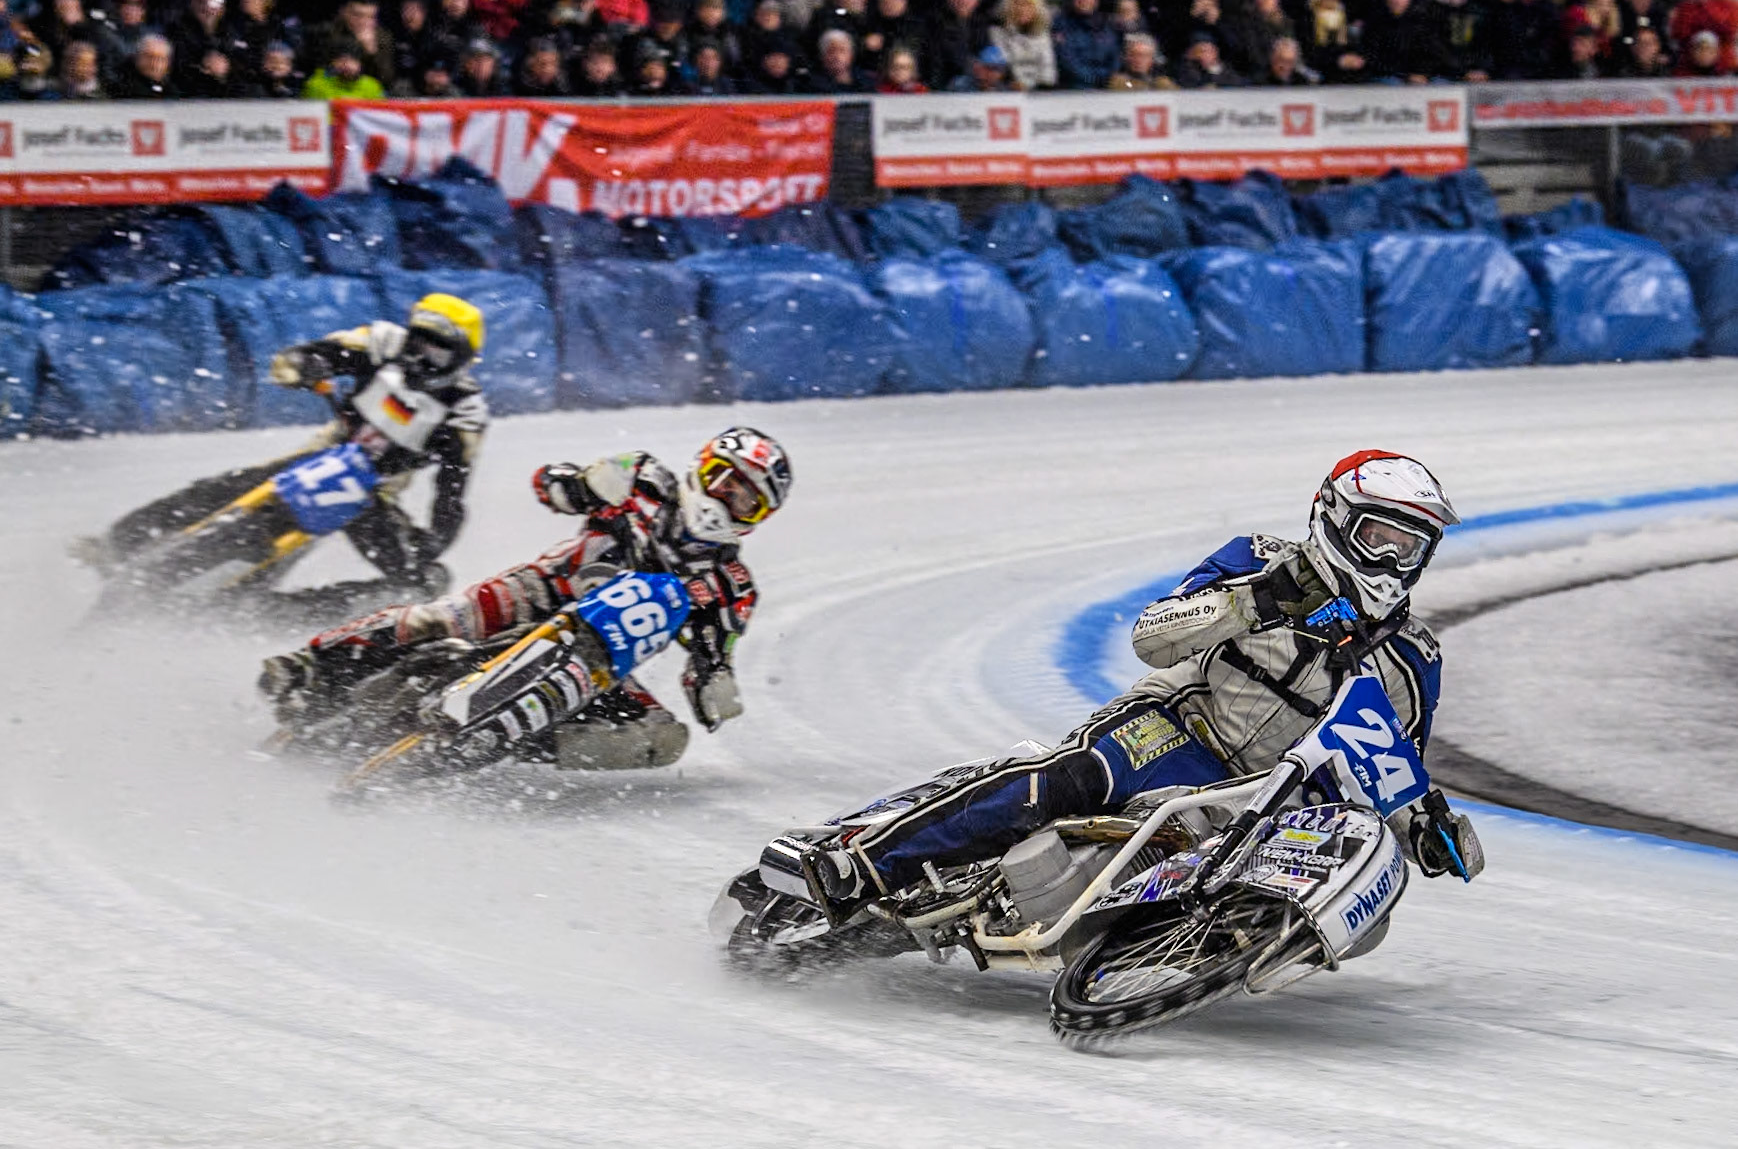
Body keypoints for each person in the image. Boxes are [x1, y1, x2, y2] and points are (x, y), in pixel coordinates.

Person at [768, 451, 1480, 920]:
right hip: (1180, 729)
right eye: (1377, 537)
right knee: (1063, 778)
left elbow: (1391, 763)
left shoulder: (1415, 659)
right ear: (1332, 519)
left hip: (1267, 802)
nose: (1390, 558)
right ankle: (857, 864)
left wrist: (1428, 827)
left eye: (1408, 545)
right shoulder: (1262, 559)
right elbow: (1153, 634)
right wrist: (1255, 603)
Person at [259, 427, 793, 774]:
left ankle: (514, 738)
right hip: (545, 589)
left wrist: (714, 684)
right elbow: (550, 486)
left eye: (746, 498)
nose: (726, 498)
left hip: (603, 657)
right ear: (701, 468)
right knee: (448, 617)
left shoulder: (732, 585)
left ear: (760, 516)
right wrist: (581, 484)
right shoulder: (645, 477)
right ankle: (312, 664)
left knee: (662, 739)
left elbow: (712, 655)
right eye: (722, 480)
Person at [87, 295, 490, 600]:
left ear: (463, 359)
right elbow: (307, 355)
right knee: (230, 486)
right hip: (328, 450)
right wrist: (307, 365)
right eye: (419, 343)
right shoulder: (383, 342)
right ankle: (120, 543)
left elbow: (451, 493)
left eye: (436, 351)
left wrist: (433, 542)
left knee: (419, 581)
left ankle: (284, 614)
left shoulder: (466, 413)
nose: (421, 357)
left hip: (378, 487)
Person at [988, 0, 1054, 88]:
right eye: (1017, 4)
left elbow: (1047, 65)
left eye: (1028, 4)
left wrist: (1045, 85)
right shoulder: (997, 32)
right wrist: (1024, 84)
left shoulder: (1043, 34)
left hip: (1040, 89)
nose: (1022, 9)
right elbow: (1007, 64)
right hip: (1010, 87)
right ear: (1008, 7)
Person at [1051, 0, 1117, 87]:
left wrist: (1107, 77)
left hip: (1106, 84)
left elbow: (1114, 56)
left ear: (1096, 0)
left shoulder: (1106, 24)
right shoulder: (1060, 24)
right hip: (1073, 86)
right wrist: (1093, 79)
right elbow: (1066, 61)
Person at [301, 37, 386, 96]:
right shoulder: (315, 86)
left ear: (360, 64)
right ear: (331, 62)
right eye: (341, 60)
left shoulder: (372, 86)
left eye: (353, 61)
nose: (347, 65)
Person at [111, 31, 181, 97]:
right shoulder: (123, 87)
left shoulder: (172, 90)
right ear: (137, 57)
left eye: (160, 59)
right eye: (149, 57)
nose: (154, 64)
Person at [806, 25, 874, 88]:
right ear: (822, 56)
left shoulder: (866, 81)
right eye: (831, 51)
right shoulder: (811, 84)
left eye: (842, 51)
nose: (837, 56)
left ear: (851, 55)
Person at [1107, 29, 1175, 85]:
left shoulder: (1162, 81)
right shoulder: (1119, 82)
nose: (1139, 60)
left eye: (1145, 55)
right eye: (1134, 54)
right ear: (1126, 57)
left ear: (1152, 59)